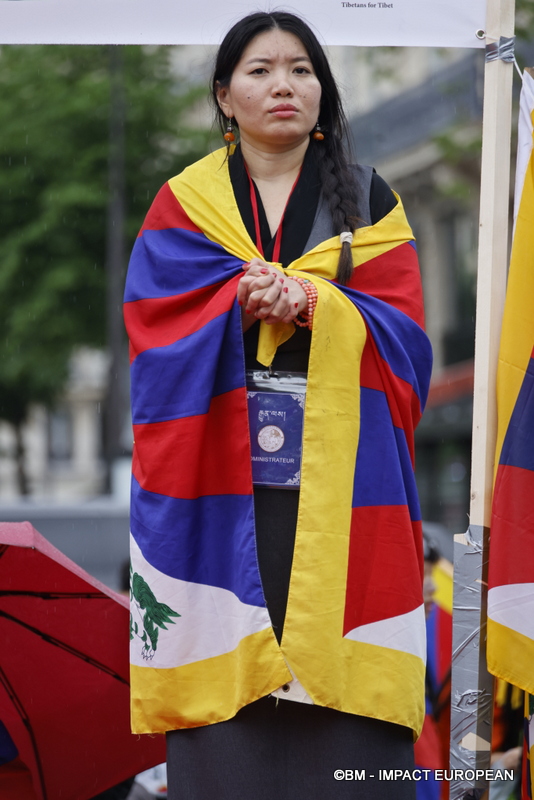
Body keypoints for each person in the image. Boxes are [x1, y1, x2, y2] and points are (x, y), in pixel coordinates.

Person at [124, 11, 433, 799]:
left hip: (343, 488)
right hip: (225, 493)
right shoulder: (184, 203)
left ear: (323, 89)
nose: (284, 85)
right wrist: (233, 301)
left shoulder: (368, 197)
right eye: (260, 71)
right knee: (231, 695)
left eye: (300, 69)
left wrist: (311, 305)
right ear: (225, 96)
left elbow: (407, 343)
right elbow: (154, 333)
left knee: (351, 729)